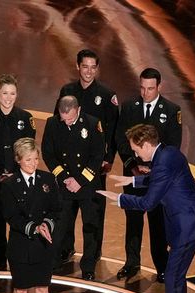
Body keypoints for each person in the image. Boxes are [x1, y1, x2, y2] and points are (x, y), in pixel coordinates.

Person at [99, 124, 195, 293]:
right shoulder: (169, 153)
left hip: (187, 224)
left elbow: (148, 202)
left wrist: (120, 199)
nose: (135, 155)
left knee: (173, 278)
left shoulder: (162, 161)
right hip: (192, 218)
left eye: (136, 149)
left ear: (146, 144)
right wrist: (133, 181)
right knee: (175, 278)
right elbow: (162, 179)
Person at [113, 67, 182, 282]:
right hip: (133, 171)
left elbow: (172, 145)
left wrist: (155, 169)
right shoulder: (129, 106)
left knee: (157, 223)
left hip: (157, 177)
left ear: (159, 87)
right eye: (142, 88)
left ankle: (162, 266)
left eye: (150, 89)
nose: (145, 93)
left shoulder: (171, 111)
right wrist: (133, 164)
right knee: (133, 220)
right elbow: (120, 139)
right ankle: (132, 263)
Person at [56, 49, 119, 263]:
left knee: (93, 214)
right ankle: (66, 248)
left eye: (93, 67)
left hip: (94, 165)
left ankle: (93, 254)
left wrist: (108, 158)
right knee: (66, 212)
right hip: (69, 165)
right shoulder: (67, 91)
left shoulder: (107, 95)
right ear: (77, 66)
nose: (89, 71)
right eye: (85, 66)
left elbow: (113, 130)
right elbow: (58, 124)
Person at [1, 137, 61, 293]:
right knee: (20, 290)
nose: (33, 163)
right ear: (18, 160)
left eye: (36, 159)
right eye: (28, 160)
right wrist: (34, 228)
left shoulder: (47, 179)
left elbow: (56, 210)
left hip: (43, 245)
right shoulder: (8, 184)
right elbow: (11, 217)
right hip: (20, 245)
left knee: (43, 288)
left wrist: (46, 224)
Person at [0, 74, 36, 274]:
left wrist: (14, 174)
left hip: (19, 180)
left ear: (17, 94)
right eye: (4, 93)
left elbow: (28, 150)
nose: (8, 97)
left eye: (12, 93)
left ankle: (19, 261)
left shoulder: (25, 118)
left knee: (19, 221)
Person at [41, 95, 104, 281]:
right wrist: (64, 177)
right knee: (61, 225)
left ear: (77, 110)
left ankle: (88, 266)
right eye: (63, 118)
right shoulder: (53, 124)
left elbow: (98, 155)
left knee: (91, 227)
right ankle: (58, 258)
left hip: (87, 185)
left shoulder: (93, 124)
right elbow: (48, 154)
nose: (66, 122)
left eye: (69, 118)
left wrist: (80, 181)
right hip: (65, 184)